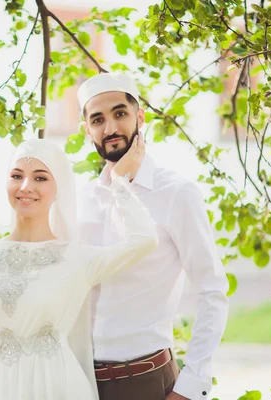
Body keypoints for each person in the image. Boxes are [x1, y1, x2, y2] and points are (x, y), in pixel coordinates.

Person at [0, 137, 158, 400]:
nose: (26, 186)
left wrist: (118, 181)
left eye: (40, 178)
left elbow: (144, 240)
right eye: (16, 175)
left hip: (57, 389)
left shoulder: (76, 257)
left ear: (59, 188)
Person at [77, 72, 229, 400]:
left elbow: (212, 290)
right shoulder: (83, 199)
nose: (111, 129)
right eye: (98, 119)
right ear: (86, 129)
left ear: (140, 117)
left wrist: (191, 386)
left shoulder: (176, 193)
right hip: (81, 383)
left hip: (146, 381)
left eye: (120, 114)